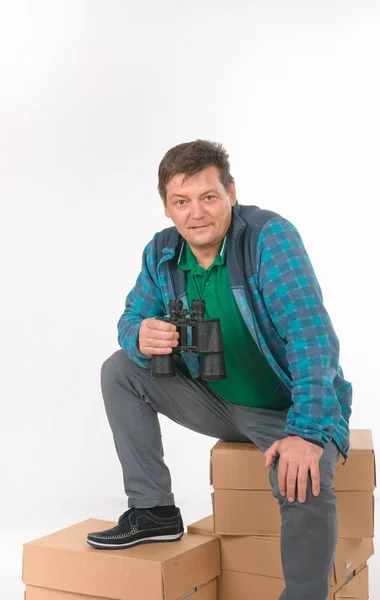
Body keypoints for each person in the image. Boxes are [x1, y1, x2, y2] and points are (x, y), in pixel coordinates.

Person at [87, 140, 352, 600]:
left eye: (208, 197)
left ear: (231, 193)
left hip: (283, 410)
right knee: (120, 370)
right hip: (216, 401)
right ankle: (154, 512)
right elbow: (131, 318)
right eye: (181, 202)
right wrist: (140, 334)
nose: (196, 213)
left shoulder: (268, 237)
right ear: (167, 207)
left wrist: (308, 433)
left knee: (302, 479)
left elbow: (312, 337)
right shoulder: (162, 252)